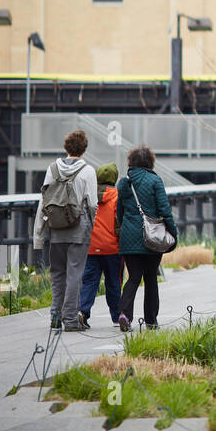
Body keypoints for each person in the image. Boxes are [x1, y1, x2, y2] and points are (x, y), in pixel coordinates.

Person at [32, 130, 99, 332]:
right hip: (80, 229)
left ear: (66, 148)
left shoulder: (52, 169)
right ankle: (70, 320)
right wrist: (94, 229)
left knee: (58, 273)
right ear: (84, 148)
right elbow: (93, 205)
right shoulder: (88, 171)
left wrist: (39, 235)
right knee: (74, 275)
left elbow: (43, 203)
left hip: (57, 229)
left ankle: (55, 315)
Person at [115, 145, 177, 332]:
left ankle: (125, 314)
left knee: (133, 277)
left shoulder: (124, 183)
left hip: (129, 237)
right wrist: (173, 234)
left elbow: (119, 212)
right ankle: (151, 320)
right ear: (150, 161)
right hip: (153, 237)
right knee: (150, 278)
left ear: (131, 162)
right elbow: (165, 211)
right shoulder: (155, 181)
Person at [79, 162, 122, 326]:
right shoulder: (117, 197)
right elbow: (119, 222)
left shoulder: (88, 195)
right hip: (112, 248)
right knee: (114, 282)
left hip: (91, 248)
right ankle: (117, 316)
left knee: (89, 281)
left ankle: (83, 311)